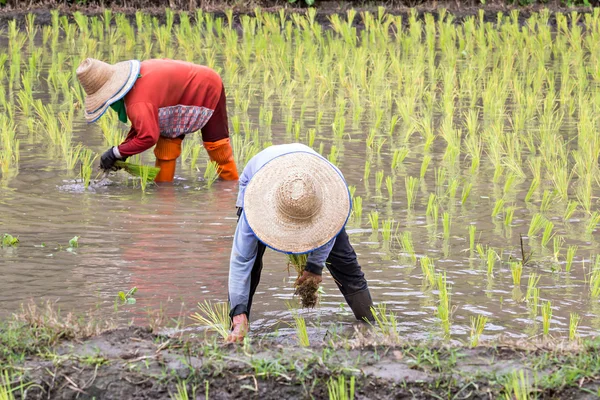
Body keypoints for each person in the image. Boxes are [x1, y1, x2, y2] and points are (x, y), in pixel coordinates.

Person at [227, 143, 374, 342]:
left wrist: (314, 267)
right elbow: (240, 260)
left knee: (345, 261)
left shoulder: (331, 186)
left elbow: (329, 231)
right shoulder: (257, 204)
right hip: (257, 177)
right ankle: (238, 323)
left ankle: (371, 325)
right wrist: (238, 311)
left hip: (311, 181)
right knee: (251, 266)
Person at [75, 58, 238, 182]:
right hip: (175, 97)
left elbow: (148, 137)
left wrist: (114, 152)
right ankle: (164, 193)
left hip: (208, 84)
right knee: (167, 146)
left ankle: (232, 189)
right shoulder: (135, 89)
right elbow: (141, 127)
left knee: (217, 146)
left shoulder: (138, 102)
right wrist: (121, 153)